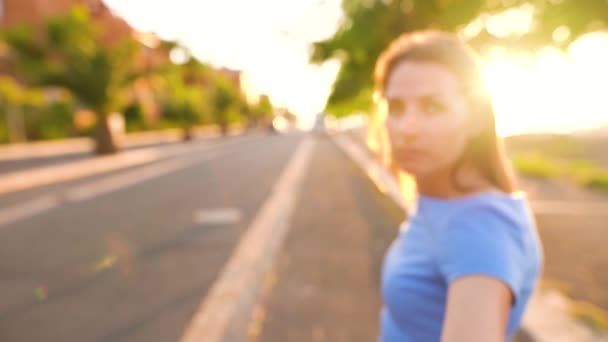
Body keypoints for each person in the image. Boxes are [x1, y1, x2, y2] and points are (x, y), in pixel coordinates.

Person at [371, 30, 544, 341]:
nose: (406, 128)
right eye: (396, 108)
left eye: (432, 107)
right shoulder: (440, 199)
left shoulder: (481, 225)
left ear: (475, 118)